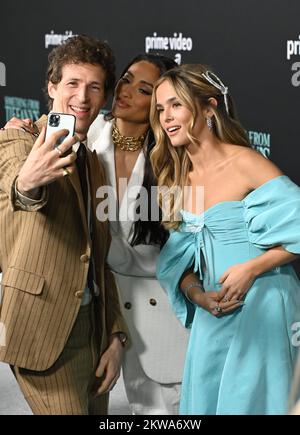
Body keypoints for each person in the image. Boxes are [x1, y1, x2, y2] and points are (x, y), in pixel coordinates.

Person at [149, 64, 300, 415]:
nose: (166, 118)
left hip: (264, 305)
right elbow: (177, 263)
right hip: (214, 312)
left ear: (208, 107)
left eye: (176, 105)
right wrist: (197, 294)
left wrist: (252, 268)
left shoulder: (245, 162)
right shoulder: (177, 177)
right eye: (160, 109)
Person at [0, 35, 128, 415]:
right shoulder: (18, 139)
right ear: (52, 87)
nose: (83, 97)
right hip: (43, 328)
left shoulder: (91, 161)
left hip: (94, 329)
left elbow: (99, 257)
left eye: (94, 87)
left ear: (104, 97)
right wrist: (29, 180)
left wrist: (115, 335)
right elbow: (19, 191)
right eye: (72, 83)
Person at [87, 54, 189, 415]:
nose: (126, 92)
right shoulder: (88, 137)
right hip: (103, 308)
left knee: (167, 412)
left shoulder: (173, 159)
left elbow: (177, 249)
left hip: (160, 310)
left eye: (143, 89)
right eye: (126, 80)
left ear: (159, 105)